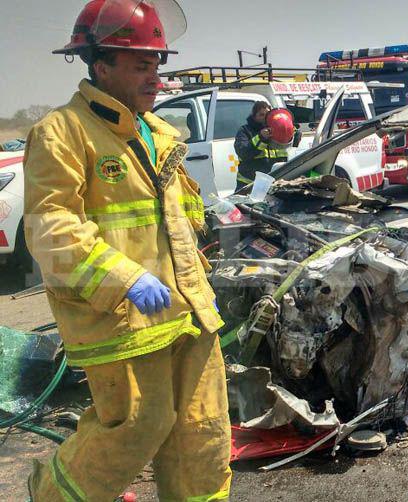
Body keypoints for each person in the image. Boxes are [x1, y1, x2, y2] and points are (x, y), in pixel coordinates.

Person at [23, 1, 231, 500]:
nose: (155, 76)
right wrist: (123, 278)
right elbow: (50, 229)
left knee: (203, 435)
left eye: (157, 63)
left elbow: (177, 218)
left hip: (189, 312)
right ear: (100, 64)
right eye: (141, 64)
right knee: (136, 429)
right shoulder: (63, 132)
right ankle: (48, 495)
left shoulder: (159, 134)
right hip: (123, 321)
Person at [234, 101, 288, 189]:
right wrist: (260, 138)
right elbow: (243, 152)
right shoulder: (245, 131)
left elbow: (291, 148)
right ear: (254, 116)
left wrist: (293, 134)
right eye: (261, 115)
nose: (265, 118)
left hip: (274, 184)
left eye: (267, 114)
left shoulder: (278, 129)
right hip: (249, 184)